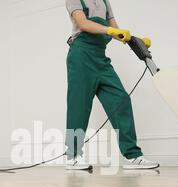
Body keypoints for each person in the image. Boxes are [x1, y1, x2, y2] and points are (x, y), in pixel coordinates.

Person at [65, 0, 160, 170]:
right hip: (81, 56)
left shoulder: (104, 1)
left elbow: (115, 29)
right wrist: (110, 30)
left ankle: (132, 156)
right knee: (79, 106)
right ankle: (72, 156)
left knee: (121, 100)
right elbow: (83, 24)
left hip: (100, 58)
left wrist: (134, 40)